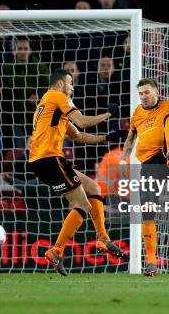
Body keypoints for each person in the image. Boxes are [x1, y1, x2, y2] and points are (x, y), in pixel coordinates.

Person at [29, 69, 128, 276]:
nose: (72, 87)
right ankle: (56, 251)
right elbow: (82, 121)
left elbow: (78, 134)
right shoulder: (57, 96)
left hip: (48, 160)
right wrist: (108, 114)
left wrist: (107, 138)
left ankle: (103, 239)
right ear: (59, 83)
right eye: (70, 82)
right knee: (82, 204)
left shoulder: (50, 106)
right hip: (49, 159)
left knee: (93, 187)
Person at [121, 45, 169, 276]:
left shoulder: (168, 104)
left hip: (168, 157)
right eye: (141, 93)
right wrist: (125, 163)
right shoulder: (136, 113)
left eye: (147, 92)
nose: (144, 97)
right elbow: (129, 140)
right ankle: (152, 264)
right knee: (147, 210)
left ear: (157, 91)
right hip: (149, 166)